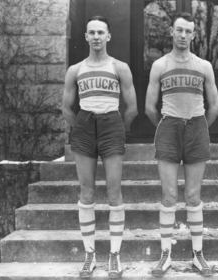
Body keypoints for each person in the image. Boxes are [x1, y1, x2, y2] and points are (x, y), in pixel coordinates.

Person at [145, 12, 218, 278]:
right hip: (168, 126)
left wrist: (196, 130)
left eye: (188, 31)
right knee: (168, 196)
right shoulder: (160, 65)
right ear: (171, 31)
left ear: (193, 34)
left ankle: (198, 255)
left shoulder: (204, 66)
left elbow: (215, 108)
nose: (183, 35)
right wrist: (168, 129)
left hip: (197, 126)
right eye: (179, 30)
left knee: (193, 196)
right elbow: (149, 108)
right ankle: (165, 255)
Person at [61, 15, 138, 279]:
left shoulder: (120, 67)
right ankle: (89, 254)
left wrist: (115, 128)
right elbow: (66, 108)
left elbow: (132, 108)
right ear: (85, 37)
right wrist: (82, 125)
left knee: (114, 192)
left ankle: (115, 255)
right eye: (91, 32)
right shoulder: (76, 70)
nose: (95, 37)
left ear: (108, 36)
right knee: (87, 191)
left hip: (111, 124)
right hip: (84, 125)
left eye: (100, 32)